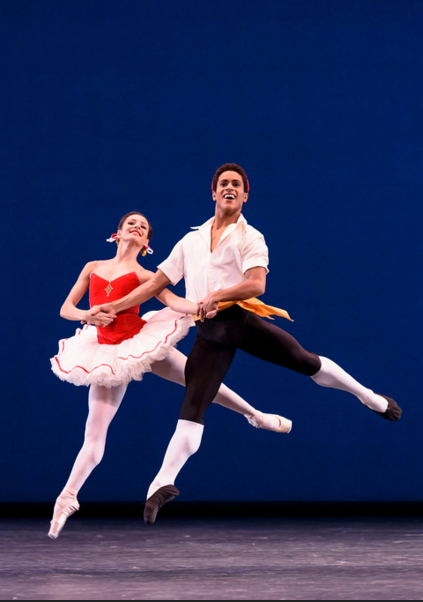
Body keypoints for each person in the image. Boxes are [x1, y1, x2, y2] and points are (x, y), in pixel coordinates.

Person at [90, 166, 402, 525]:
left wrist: (219, 295)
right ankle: (163, 482)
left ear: (245, 195)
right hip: (209, 335)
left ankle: (368, 396)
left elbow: (256, 285)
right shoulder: (190, 241)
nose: (229, 188)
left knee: (305, 361)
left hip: (240, 322)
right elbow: (158, 282)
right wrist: (115, 305)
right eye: (223, 184)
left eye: (236, 185)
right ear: (213, 192)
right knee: (192, 406)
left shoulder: (251, 237)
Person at [48, 211, 292, 539]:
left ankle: (256, 415)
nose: (136, 227)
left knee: (199, 383)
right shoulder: (93, 267)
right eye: (130, 224)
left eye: (143, 227)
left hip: (141, 342)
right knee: (94, 430)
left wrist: (203, 306)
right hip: (105, 354)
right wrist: (88, 315)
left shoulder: (147, 274)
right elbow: (66, 309)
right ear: (116, 233)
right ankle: (67, 497)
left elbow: (174, 299)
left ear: (147, 242)